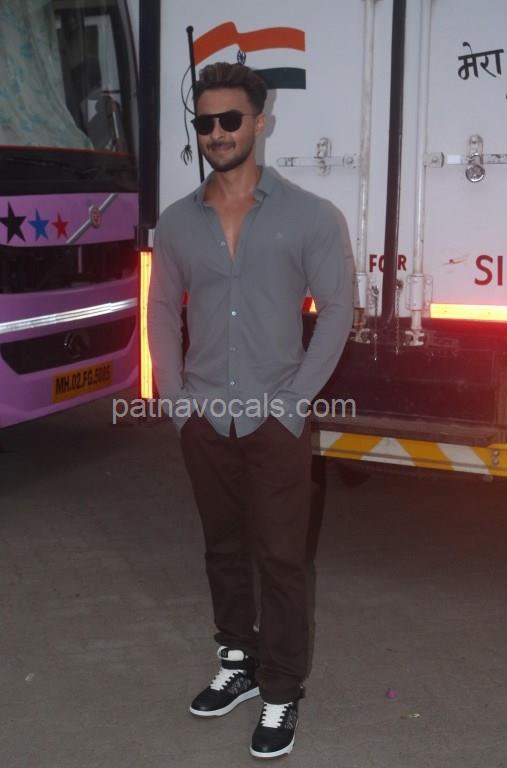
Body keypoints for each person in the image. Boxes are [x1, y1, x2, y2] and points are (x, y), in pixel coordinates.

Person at [148, 61, 353, 759]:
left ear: (260, 123)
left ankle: (281, 690)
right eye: (205, 121)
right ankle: (237, 661)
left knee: (282, 559)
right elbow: (161, 309)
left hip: (275, 420)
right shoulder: (176, 223)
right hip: (205, 418)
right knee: (222, 549)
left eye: (230, 119)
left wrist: (294, 404)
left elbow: (337, 310)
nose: (216, 133)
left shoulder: (311, 217)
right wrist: (176, 400)